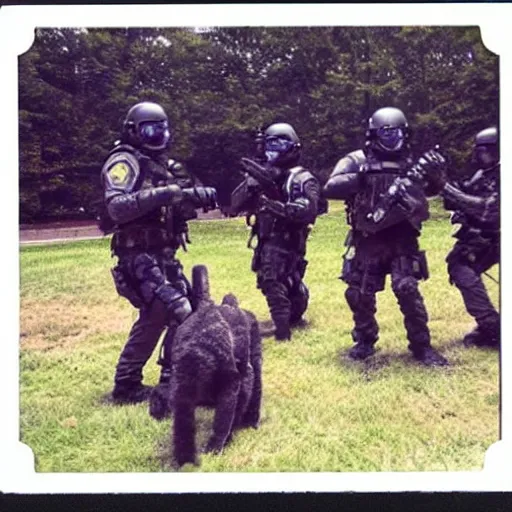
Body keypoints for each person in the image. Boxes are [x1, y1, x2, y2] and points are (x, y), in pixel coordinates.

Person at [100, 101, 217, 404]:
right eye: (150, 129)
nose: (158, 135)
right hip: (137, 256)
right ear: (133, 131)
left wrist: (194, 196)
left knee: (170, 314)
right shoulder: (124, 162)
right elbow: (117, 207)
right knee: (175, 311)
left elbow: (174, 206)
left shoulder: (161, 165)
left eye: (162, 128)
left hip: (163, 254)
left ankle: (167, 377)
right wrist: (168, 193)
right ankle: (129, 384)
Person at [323, 107, 448, 366]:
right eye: (386, 134)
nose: (392, 139)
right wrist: (362, 177)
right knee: (359, 293)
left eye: (397, 133)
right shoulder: (357, 160)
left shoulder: (412, 165)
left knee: (408, 290)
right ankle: (365, 340)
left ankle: (421, 345)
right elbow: (330, 187)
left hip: (402, 240)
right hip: (368, 240)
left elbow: (436, 189)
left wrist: (436, 174)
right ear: (373, 135)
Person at [230, 123, 321, 341]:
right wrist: (253, 183)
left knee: (273, 279)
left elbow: (308, 211)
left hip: (289, 239)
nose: (274, 150)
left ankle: (282, 332)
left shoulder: (300, 178)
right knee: (273, 280)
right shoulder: (262, 175)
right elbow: (235, 203)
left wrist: (275, 204)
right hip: (265, 238)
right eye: (270, 144)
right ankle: (293, 309)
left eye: (279, 144)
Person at [440, 126, 500, 349]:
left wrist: (445, 188)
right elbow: (460, 196)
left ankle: (492, 327)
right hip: (486, 239)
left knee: (461, 265)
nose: (479, 156)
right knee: (459, 265)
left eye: (484, 151)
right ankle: (491, 325)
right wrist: (443, 179)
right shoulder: (485, 173)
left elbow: (489, 210)